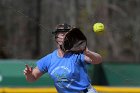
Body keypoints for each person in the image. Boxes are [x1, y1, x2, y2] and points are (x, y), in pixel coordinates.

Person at [24, 23, 102, 93]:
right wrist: (29, 75)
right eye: (63, 34)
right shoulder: (49, 59)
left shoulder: (77, 54)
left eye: (68, 35)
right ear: (56, 38)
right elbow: (32, 78)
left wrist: (88, 53)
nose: (66, 37)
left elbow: (98, 60)